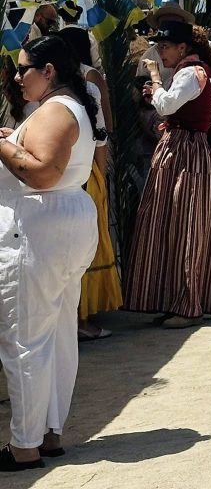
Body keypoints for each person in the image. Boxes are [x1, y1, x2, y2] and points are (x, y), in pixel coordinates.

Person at [0, 36, 102, 469]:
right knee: (55, 334)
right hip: (62, 223)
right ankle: (49, 432)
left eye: (24, 68)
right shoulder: (68, 107)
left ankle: (25, 444)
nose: (17, 77)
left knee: (26, 338)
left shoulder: (56, 110)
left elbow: (41, 175)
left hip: (40, 227)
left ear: (49, 71)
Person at [122, 20, 211, 327]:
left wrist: (156, 81)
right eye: (159, 47)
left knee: (187, 227)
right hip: (182, 150)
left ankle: (189, 305)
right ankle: (175, 300)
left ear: (183, 47)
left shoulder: (190, 72)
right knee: (172, 225)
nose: (161, 52)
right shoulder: (191, 72)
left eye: (166, 46)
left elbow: (168, 106)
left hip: (188, 154)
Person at [57, 26, 121, 339]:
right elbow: (103, 129)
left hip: (60, 175)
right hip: (82, 172)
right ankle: (82, 317)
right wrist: (102, 170)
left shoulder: (44, 88)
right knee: (86, 244)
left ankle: (76, 318)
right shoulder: (88, 80)